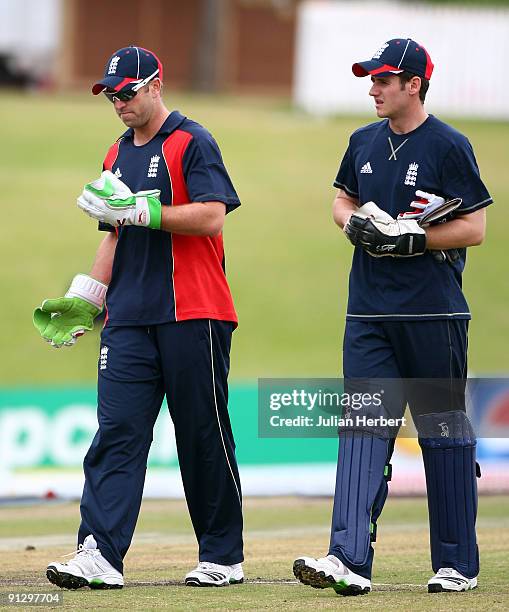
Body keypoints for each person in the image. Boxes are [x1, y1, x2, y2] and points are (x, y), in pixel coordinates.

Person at [33, 46, 244, 590]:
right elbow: (113, 232)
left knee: (202, 434)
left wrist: (142, 210)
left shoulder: (192, 141)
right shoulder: (115, 152)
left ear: (155, 84)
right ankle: (100, 555)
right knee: (117, 433)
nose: (119, 103)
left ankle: (222, 555)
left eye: (127, 92)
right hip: (128, 317)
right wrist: (88, 297)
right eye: (111, 95)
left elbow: (212, 216)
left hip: (194, 310)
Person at [293, 38, 491, 596]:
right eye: (371, 79)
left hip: (434, 315)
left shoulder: (449, 145)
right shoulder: (362, 141)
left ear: (414, 84)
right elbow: (341, 199)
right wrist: (353, 223)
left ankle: (457, 565)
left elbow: (474, 227)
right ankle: (348, 559)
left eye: (384, 79)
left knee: (443, 433)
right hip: (368, 314)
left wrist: (412, 239)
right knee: (361, 429)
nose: (374, 88)